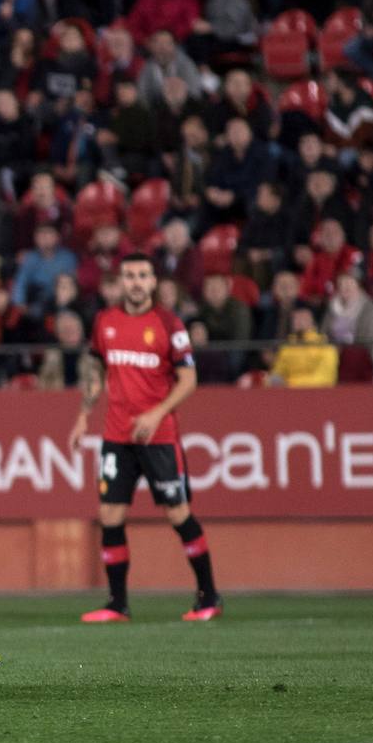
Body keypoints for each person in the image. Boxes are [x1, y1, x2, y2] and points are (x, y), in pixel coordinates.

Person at [67, 253, 221, 625]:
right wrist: (83, 415)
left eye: (142, 275)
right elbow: (95, 369)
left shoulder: (169, 324)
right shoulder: (105, 321)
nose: (136, 282)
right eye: (129, 276)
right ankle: (117, 602)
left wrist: (156, 413)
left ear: (153, 282)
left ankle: (208, 595)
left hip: (159, 436)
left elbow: (189, 379)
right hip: (117, 435)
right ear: (121, 282)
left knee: (177, 512)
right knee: (110, 515)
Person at [270, 304, 340, 388]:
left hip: (317, 396)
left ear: (312, 322)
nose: (298, 322)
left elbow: (326, 379)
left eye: (303, 318)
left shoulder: (325, 346)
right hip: (289, 396)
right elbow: (277, 374)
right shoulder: (287, 347)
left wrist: (290, 384)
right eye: (295, 319)